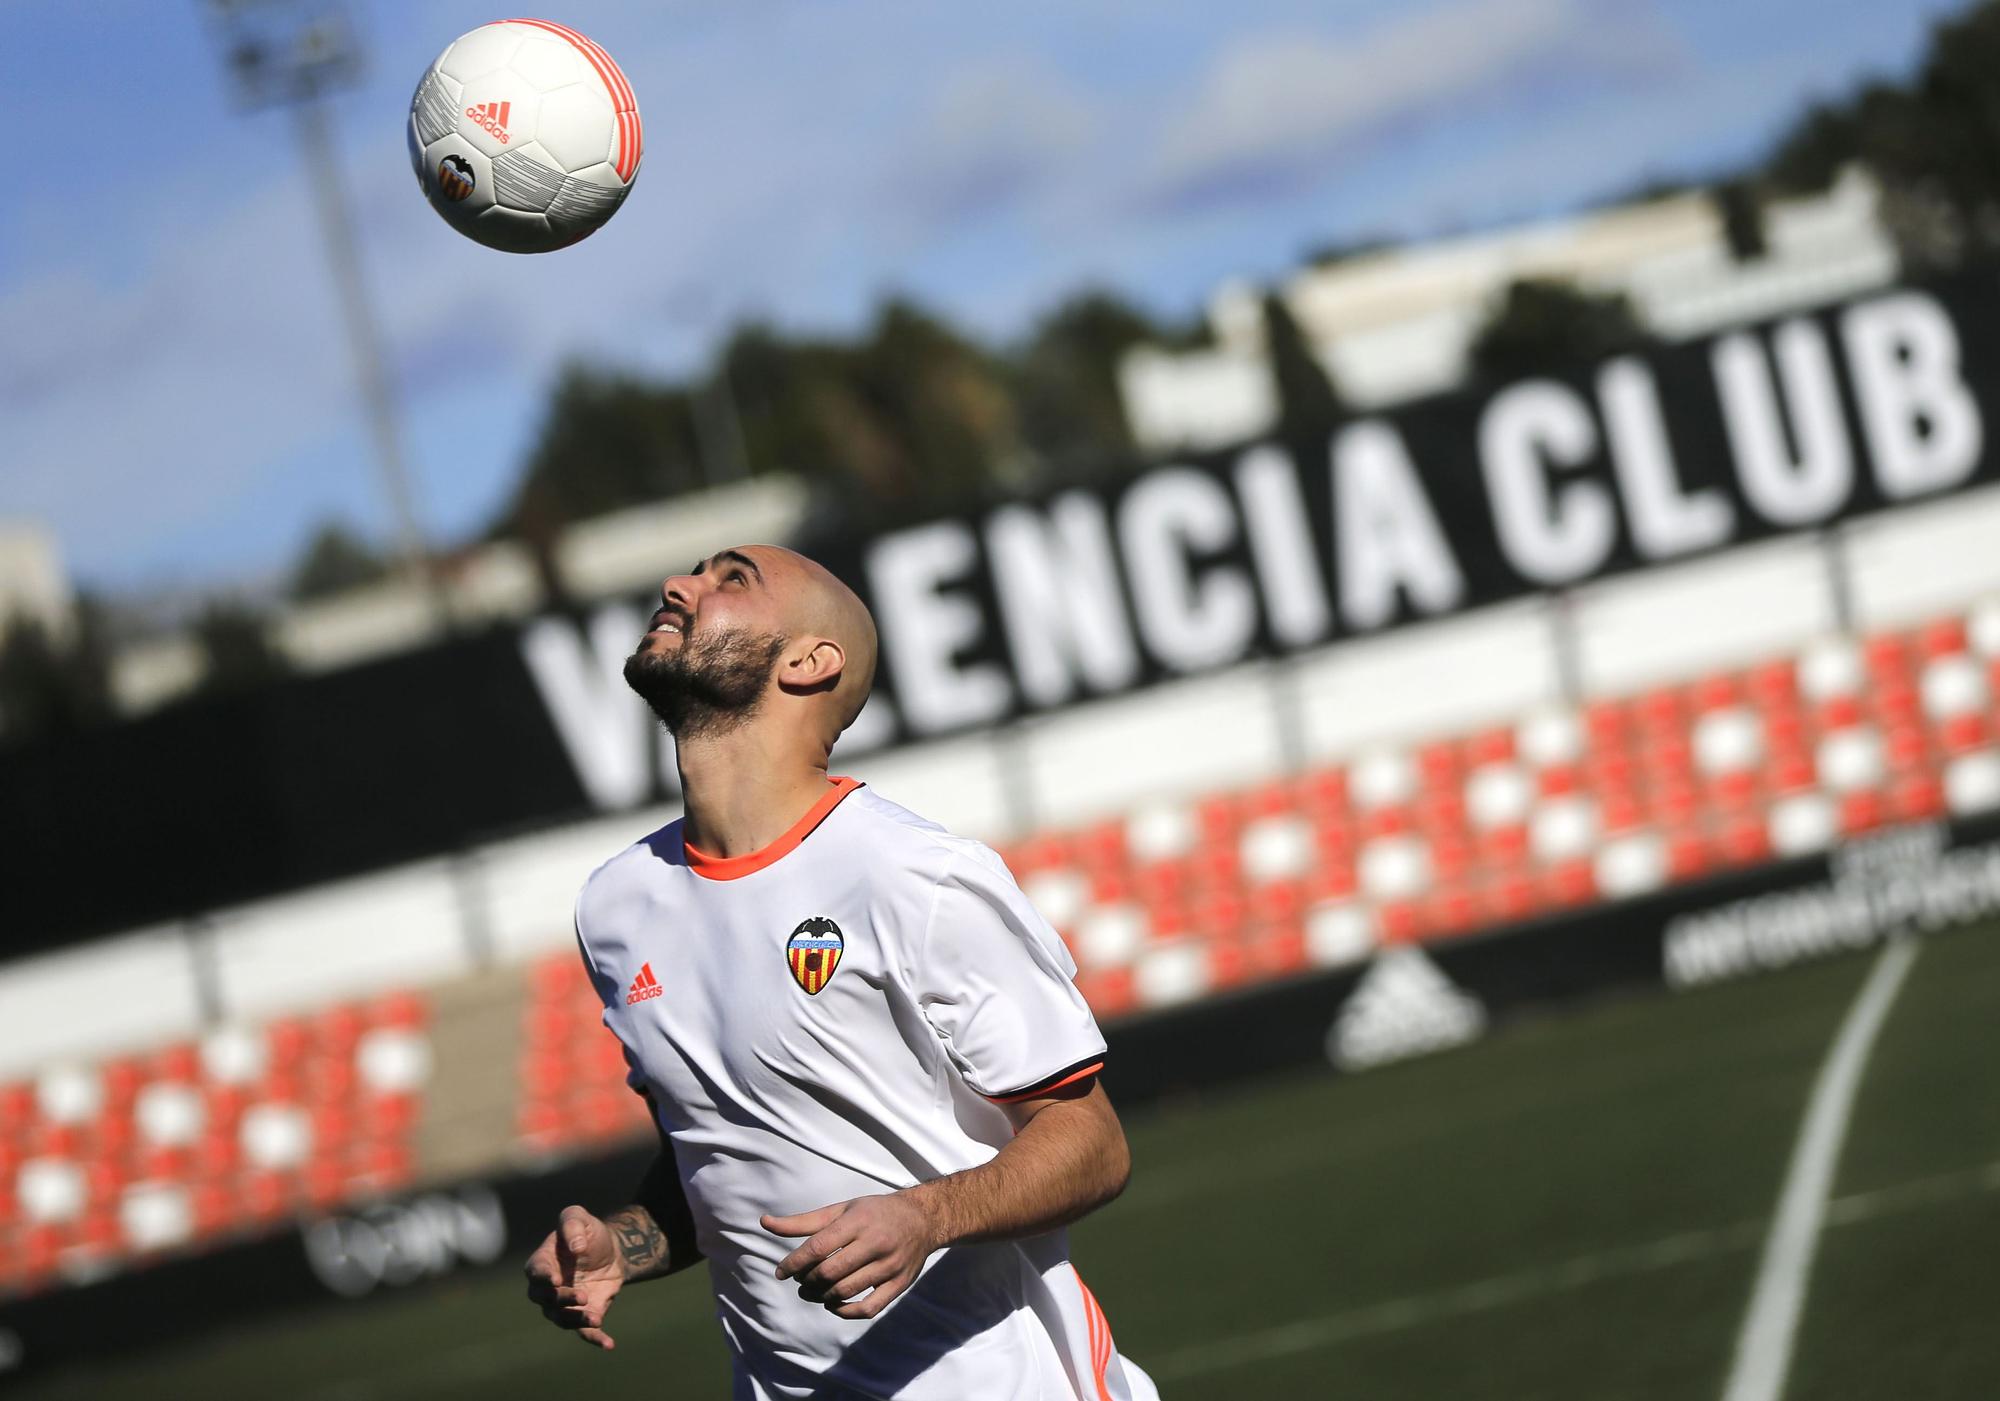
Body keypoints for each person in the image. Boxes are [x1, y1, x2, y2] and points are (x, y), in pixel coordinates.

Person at [524, 545, 1158, 1400]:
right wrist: (622, 1241)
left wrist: (925, 1215)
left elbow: (1094, 1142)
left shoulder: (916, 874)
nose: (679, 586)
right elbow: (717, 1158)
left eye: (731, 578)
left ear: (808, 661)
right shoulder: (614, 907)